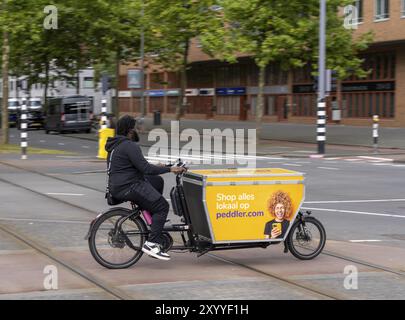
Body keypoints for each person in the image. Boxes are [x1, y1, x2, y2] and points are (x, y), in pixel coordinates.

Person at [105, 115, 186, 261]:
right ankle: (152, 243)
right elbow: (146, 168)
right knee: (162, 206)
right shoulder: (130, 146)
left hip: (118, 186)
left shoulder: (116, 145)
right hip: (129, 186)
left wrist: (162, 166)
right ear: (130, 130)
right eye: (135, 128)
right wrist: (171, 169)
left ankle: (154, 220)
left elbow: (137, 165)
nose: (136, 130)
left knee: (156, 181)